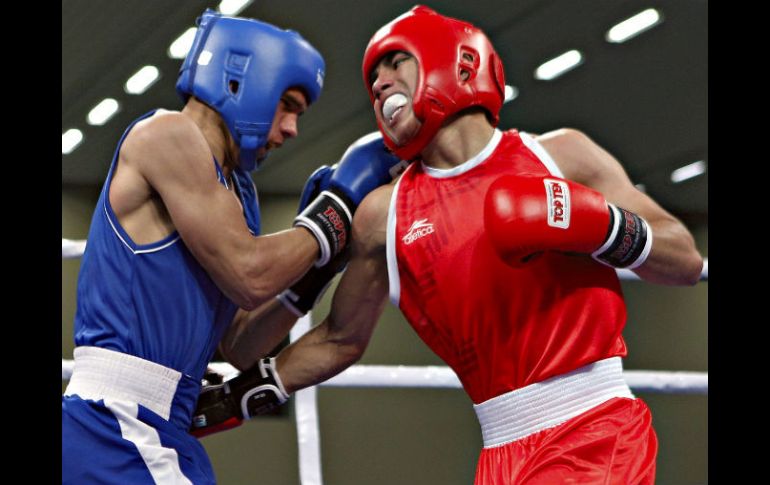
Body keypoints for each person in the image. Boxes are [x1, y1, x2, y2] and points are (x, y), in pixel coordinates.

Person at [191, 6, 704, 484]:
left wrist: (606, 226)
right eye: (373, 79)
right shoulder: (382, 214)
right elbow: (341, 338)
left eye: (396, 62)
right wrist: (244, 394)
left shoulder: (560, 157)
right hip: (501, 450)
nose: (381, 83)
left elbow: (683, 259)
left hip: (597, 431)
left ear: (457, 61)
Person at [61, 9, 400, 485]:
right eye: (289, 105)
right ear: (245, 78)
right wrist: (335, 211)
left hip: (159, 428)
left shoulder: (238, 195)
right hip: (114, 425)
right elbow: (250, 273)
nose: (291, 130)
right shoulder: (166, 135)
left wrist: (316, 269)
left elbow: (239, 344)